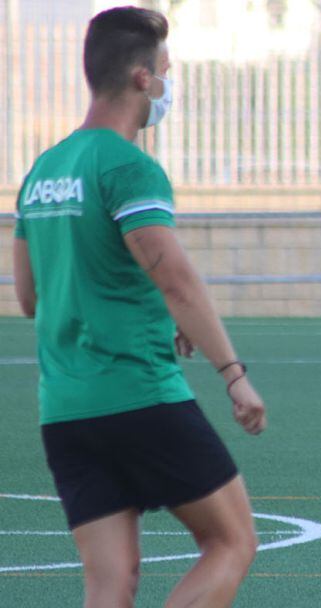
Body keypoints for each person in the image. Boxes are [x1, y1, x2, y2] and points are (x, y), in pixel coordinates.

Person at [12, 7, 267, 607]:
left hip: (66, 410)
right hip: (139, 394)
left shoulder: (42, 171)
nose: (168, 85)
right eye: (166, 71)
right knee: (232, 541)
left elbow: (29, 297)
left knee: (109, 582)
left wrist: (136, 299)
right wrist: (234, 375)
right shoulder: (129, 167)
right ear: (142, 79)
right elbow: (173, 276)